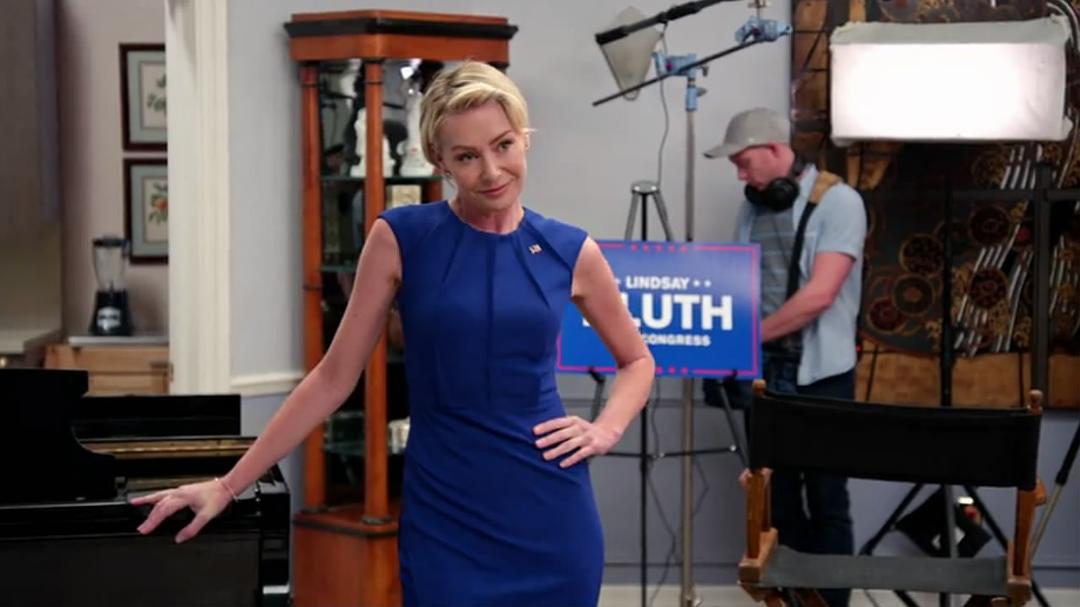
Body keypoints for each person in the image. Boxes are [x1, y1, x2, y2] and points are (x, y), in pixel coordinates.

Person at [132, 61, 655, 607]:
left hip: (551, 513)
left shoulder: (571, 249)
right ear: (438, 160)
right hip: (446, 517)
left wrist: (606, 429)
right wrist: (227, 485)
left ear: (524, 138)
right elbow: (333, 379)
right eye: (466, 157)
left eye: (503, 145)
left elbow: (637, 361)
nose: (491, 171)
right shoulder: (402, 238)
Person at [703, 107, 866, 607]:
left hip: (821, 376)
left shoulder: (839, 202)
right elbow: (741, 282)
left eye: (743, 162)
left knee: (828, 502)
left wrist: (746, 340)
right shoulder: (752, 208)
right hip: (764, 378)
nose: (740, 175)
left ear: (775, 150)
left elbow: (820, 296)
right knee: (775, 503)